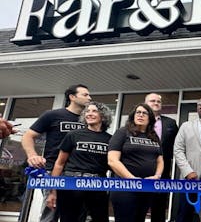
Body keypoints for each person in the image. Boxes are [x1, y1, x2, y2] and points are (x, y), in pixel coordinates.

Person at [21, 84, 91, 222]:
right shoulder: (52, 115)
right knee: (51, 213)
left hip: (78, 173)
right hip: (53, 171)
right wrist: (32, 155)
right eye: (85, 95)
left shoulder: (88, 120)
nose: (89, 97)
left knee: (77, 215)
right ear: (72, 97)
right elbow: (28, 136)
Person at [46, 101, 112, 222]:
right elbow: (59, 163)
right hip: (71, 184)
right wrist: (53, 192)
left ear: (103, 116)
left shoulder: (110, 139)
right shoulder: (73, 135)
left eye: (94, 111)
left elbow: (113, 164)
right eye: (87, 111)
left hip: (97, 185)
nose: (89, 114)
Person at [108, 103, 163, 222]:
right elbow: (112, 161)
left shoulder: (154, 136)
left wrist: (157, 176)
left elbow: (160, 160)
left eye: (144, 113)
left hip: (146, 188)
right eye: (138, 112)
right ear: (133, 115)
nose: (141, 115)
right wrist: (132, 179)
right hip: (125, 188)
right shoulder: (122, 132)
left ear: (150, 118)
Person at [145, 93, 179, 222]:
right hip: (141, 168)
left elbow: (178, 145)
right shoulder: (137, 121)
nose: (156, 103)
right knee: (138, 204)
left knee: (158, 206)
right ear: (146, 103)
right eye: (152, 101)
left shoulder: (170, 123)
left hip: (163, 170)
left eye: (158, 101)